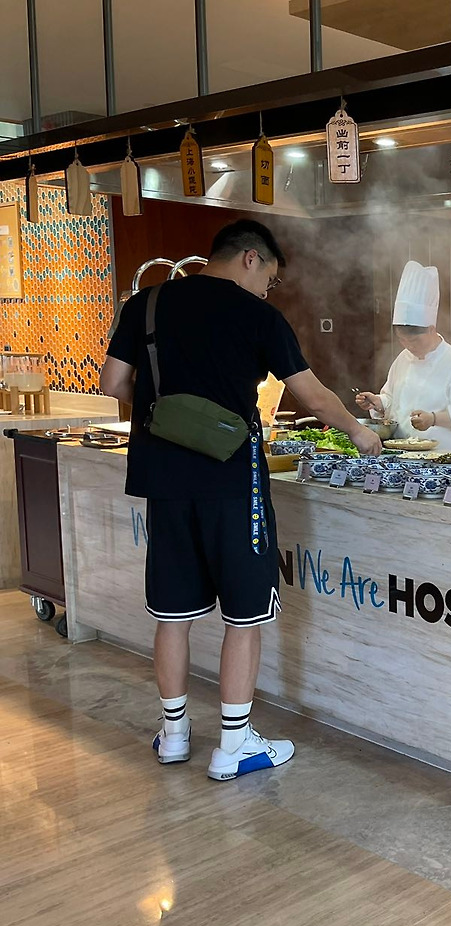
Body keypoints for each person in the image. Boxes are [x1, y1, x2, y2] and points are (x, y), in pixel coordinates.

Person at [100, 219, 382, 782]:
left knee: (173, 615)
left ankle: (174, 735)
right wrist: (359, 431)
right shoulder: (257, 316)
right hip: (232, 481)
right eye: (270, 279)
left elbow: (113, 383)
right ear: (251, 258)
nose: (267, 291)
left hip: (164, 479)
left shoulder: (145, 304)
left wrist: (168, 412)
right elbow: (313, 396)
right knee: (244, 615)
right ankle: (233, 744)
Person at [355, 260, 451, 453]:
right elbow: (393, 400)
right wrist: (379, 403)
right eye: (402, 340)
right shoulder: (402, 359)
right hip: (398, 454)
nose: (408, 346)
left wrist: (434, 418)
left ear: (431, 329)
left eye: (414, 341)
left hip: (440, 458)